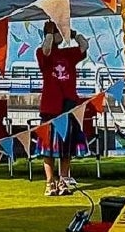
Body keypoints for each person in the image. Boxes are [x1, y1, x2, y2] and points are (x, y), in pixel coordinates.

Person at [35, 20, 86, 195]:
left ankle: (63, 180)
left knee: (67, 148)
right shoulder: (42, 53)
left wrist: (73, 34)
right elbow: (46, 50)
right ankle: (50, 182)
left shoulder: (68, 54)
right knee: (48, 148)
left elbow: (84, 47)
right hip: (50, 108)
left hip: (68, 106)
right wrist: (50, 33)